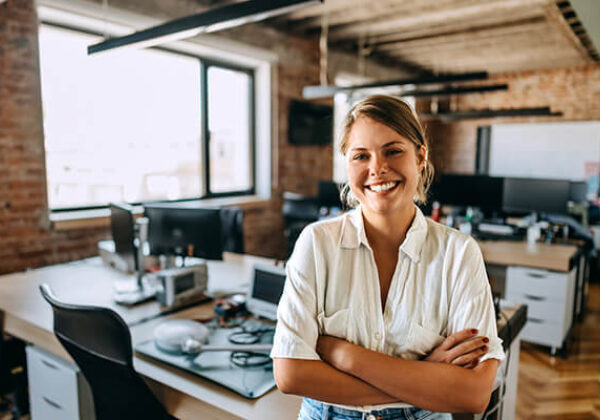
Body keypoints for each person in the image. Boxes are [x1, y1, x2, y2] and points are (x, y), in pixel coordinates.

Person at [270, 95, 504, 420]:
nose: (377, 168)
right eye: (360, 156)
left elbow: (473, 393)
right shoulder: (317, 243)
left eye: (393, 151)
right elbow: (290, 375)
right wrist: (423, 377)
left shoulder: (459, 253)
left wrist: (343, 355)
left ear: (420, 157)